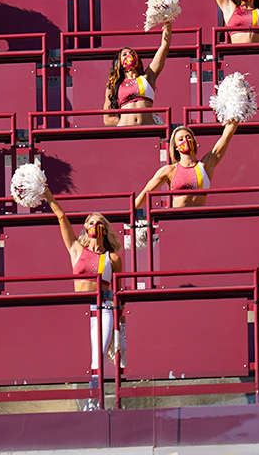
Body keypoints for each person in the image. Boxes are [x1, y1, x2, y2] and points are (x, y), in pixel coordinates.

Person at [48, 191, 122, 411]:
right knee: (79, 360)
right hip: (79, 312)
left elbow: (119, 293)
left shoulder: (113, 259)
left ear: (105, 230)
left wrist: (121, 328)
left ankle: (93, 403)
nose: (94, 226)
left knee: (97, 359)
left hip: (103, 310)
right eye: (90, 223)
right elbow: (62, 217)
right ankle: (83, 398)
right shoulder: (76, 250)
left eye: (99, 223)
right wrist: (46, 194)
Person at [134, 121, 238, 210]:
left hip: (200, 220)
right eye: (181, 139)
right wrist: (127, 216)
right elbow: (145, 193)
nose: (186, 141)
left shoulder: (205, 165)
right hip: (178, 221)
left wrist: (237, 109)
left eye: (188, 137)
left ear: (194, 141)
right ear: (176, 147)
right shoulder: (169, 170)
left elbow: (226, 136)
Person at [103, 22, 172, 126]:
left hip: (148, 129)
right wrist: (124, 121)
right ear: (119, 63)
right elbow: (107, 119)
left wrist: (167, 21)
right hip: (126, 131)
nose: (129, 55)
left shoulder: (148, 77)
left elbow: (164, 47)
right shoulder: (113, 85)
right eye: (124, 54)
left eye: (132, 53)